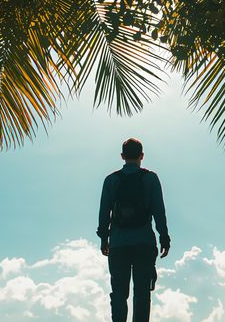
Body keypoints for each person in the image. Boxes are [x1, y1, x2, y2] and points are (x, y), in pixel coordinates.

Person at [97, 138, 171, 322]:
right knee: (142, 294)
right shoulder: (151, 178)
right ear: (142, 156)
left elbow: (104, 212)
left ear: (122, 156)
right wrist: (164, 238)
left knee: (119, 294)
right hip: (144, 243)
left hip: (118, 244)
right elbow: (158, 211)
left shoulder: (111, 180)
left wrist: (104, 240)